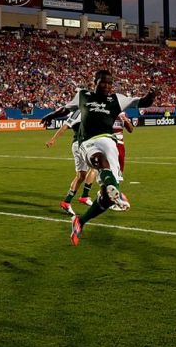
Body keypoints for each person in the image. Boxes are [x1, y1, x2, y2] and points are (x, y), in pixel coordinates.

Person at [41, 70, 155, 246]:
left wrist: (152, 93)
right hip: (88, 143)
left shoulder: (117, 99)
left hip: (110, 142)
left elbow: (144, 102)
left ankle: (81, 221)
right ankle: (112, 188)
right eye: (103, 82)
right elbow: (66, 108)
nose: (107, 86)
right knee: (99, 160)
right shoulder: (83, 95)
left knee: (107, 198)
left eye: (110, 83)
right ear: (95, 82)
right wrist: (51, 115)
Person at [44, 109, 95, 216]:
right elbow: (66, 126)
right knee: (96, 167)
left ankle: (67, 202)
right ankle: (84, 196)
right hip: (81, 144)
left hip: (81, 145)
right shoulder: (79, 111)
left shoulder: (90, 110)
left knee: (81, 176)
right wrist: (53, 139)